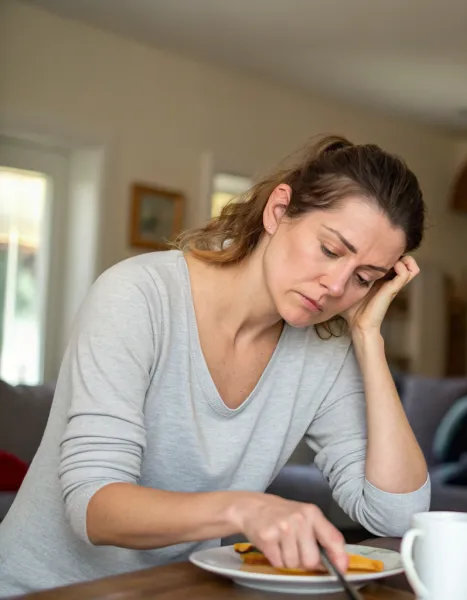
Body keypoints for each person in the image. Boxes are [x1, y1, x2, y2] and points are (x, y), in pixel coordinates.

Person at [0, 135, 431, 595]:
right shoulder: (139, 296)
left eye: (364, 278)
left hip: (169, 590)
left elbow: (398, 516)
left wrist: (367, 338)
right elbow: (93, 508)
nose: (336, 285)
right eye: (330, 250)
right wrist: (244, 510)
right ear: (279, 210)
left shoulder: (325, 347)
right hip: (40, 590)